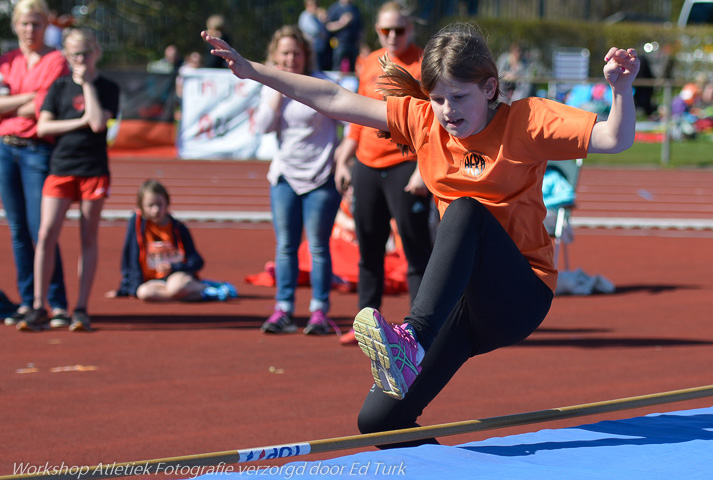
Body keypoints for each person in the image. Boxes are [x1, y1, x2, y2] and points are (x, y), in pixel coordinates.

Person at [202, 22, 638, 445]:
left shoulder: (526, 121)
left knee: (466, 211)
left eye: (459, 97)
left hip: (519, 294)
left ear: (489, 89)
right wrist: (253, 69)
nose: (448, 111)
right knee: (379, 421)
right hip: (464, 307)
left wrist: (621, 89)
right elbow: (335, 97)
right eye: (438, 98)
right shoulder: (423, 120)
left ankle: (411, 338)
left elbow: (614, 139)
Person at [333, 1, 432, 344]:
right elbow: (360, 113)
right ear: (377, 30)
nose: (392, 36)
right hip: (367, 166)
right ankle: (366, 327)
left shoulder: (424, 64)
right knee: (369, 248)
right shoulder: (369, 62)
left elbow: (434, 123)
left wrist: (423, 169)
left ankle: (422, 329)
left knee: (416, 249)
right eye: (385, 30)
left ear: (412, 29)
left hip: (407, 166)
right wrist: (345, 153)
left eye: (400, 30)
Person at [16, 27, 119, 332]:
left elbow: (99, 123)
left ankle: (81, 308)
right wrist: (79, 122)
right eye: (74, 54)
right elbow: (43, 127)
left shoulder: (108, 87)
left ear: (96, 53)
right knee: (46, 234)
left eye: (86, 53)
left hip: (93, 170)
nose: (80, 59)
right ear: (66, 55)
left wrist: (87, 86)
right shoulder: (58, 87)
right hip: (61, 168)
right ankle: (38, 305)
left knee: (88, 238)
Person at [254, 25, 342, 335]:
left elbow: (348, 122)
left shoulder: (322, 84)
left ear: (306, 55)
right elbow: (262, 126)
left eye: (297, 53)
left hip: (320, 178)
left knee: (318, 247)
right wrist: (278, 89)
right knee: (286, 246)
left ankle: (319, 311)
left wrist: (342, 161)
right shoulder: (270, 86)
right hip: (285, 178)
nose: (291, 59)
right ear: (275, 57)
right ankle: (284, 309)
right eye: (285, 54)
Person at [0, 0, 70, 327]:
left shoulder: (56, 60)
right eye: (25, 24)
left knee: (40, 230)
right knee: (16, 230)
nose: (30, 30)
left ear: (46, 26)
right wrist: (29, 99)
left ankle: (55, 303)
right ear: (15, 25)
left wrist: (13, 104)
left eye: (37, 24)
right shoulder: (7, 60)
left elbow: (46, 106)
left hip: (37, 150)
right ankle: (28, 302)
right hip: (5, 149)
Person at [106, 179, 238, 303]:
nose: (155, 210)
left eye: (159, 205)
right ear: (141, 206)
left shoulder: (178, 228)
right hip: (155, 281)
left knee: (176, 287)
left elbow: (197, 261)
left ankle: (212, 289)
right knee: (143, 293)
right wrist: (123, 289)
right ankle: (194, 294)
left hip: (177, 276)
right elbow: (129, 258)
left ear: (167, 204)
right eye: (150, 205)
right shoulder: (136, 226)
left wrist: (173, 267)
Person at [325, 0, 363, 73]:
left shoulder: (355, 9)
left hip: (353, 44)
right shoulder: (334, 8)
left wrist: (360, 42)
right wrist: (341, 23)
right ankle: (335, 84)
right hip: (339, 43)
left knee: (352, 69)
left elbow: (361, 29)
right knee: (337, 68)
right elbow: (328, 26)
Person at [299, 0, 332, 71]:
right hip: (311, 50)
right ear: (307, 5)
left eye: (316, 5)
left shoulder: (315, 18)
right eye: (312, 5)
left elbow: (324, 32)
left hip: (318, 50)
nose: (315, 7)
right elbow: (315, 31)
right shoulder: (306, 17)